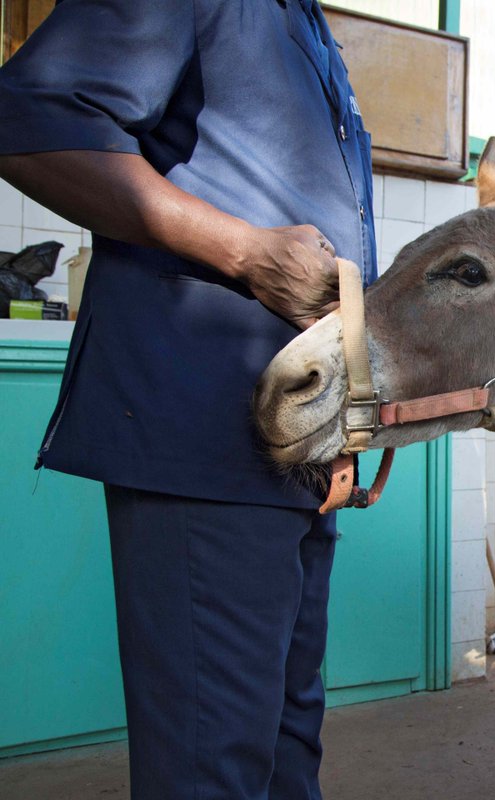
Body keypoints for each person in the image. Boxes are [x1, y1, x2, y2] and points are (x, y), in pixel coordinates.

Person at [0, 1, 376, 797]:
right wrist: (243, 252)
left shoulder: (307, 27)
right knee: (213, 767)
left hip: (301, 454)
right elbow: (29, 117)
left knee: (286, 751)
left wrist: (345, 433)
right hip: (204, 437)